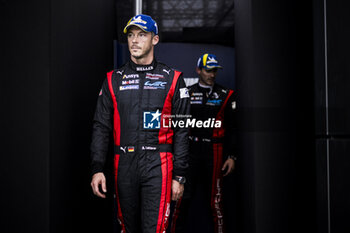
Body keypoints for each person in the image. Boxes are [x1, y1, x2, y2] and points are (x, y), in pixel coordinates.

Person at [90, 14, 190, 233]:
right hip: (124, 163)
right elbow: (101, 126)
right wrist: (97, 168)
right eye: (131, 35)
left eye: (142, 35)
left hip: (159, 164)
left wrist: (179, 175)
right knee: (126, 228)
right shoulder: (112, 79)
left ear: (155, 39)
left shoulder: (172, 78)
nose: (134, 40)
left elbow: (182, 129)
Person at [170, 54, 237, 233]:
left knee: (215, 201)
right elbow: (178, 125)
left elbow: (233, 128)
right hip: (190, 150)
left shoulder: (226, 94)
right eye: (208, 70)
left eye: (214, 70)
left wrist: (231, 156)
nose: (212, 74)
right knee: (181, 198)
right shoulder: (187, 92)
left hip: (214, 150)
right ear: (198, 70)